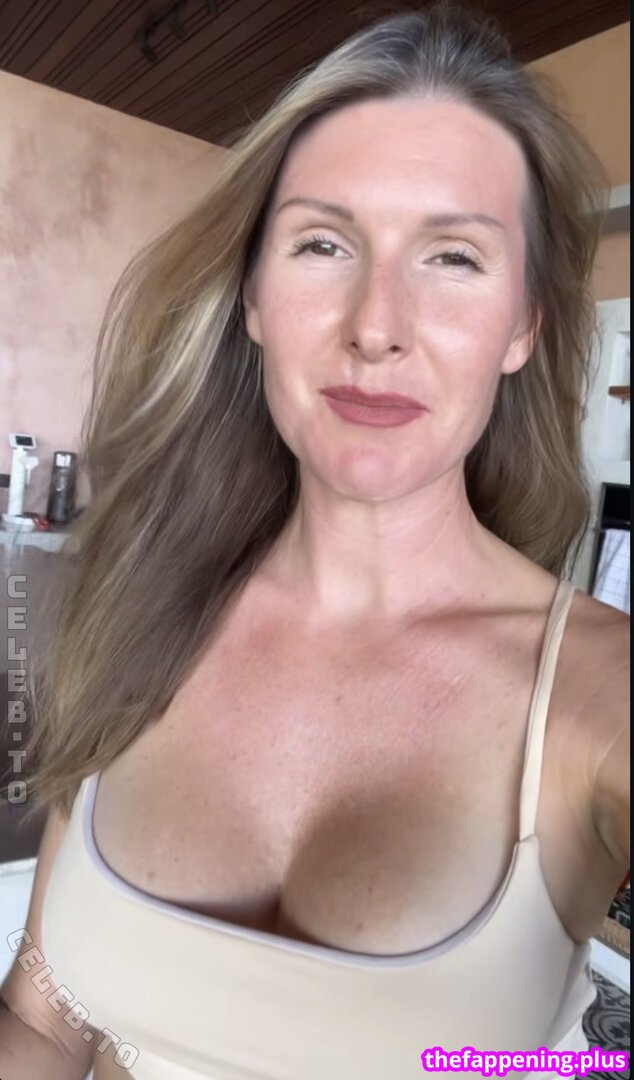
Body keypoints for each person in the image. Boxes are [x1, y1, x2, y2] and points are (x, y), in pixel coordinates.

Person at [0, 3, 629, 1078]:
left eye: (453, 257)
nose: (376, 326)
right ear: (253, 295)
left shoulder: (597, 700)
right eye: (323, 244)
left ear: (524, 323)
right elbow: (43, 1021)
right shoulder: (143, 609)